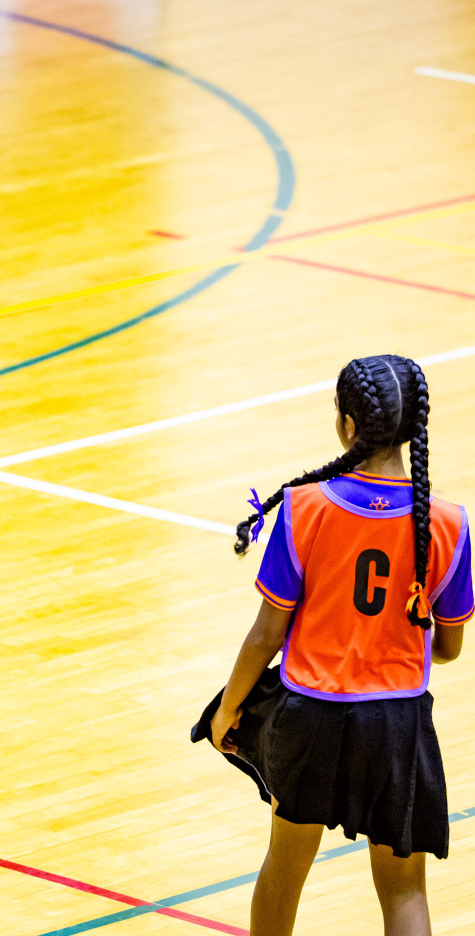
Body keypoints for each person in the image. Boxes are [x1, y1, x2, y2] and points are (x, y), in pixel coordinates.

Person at [196, 355, 471, 936]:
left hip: (311, 721)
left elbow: (267, 633)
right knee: (404, 890)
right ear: (416, 428)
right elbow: (448, 650)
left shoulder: (304, 507)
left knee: (286, 866)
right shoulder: (448, 523)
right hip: (398, 725)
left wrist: (227, 709)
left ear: (347, 424)